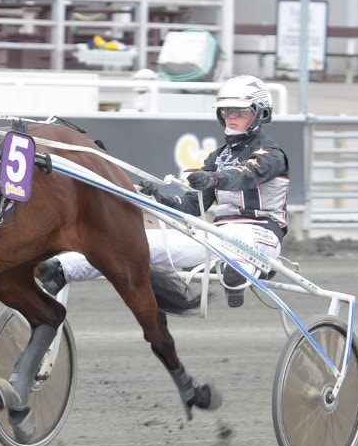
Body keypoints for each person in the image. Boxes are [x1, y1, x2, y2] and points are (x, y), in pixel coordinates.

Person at [37, 75, 290, 307]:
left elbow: (247, 175)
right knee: (138, 242)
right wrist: (158, 199)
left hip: (261, 234)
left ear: (260, 113)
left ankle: (242, 271)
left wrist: (213, 178)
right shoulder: (218, 156)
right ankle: (61, 269)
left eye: (240, 111)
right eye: (226, 111)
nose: (231, 117)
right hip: (216, 236)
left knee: (238, 247)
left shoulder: (272, 154)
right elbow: (192, 206)